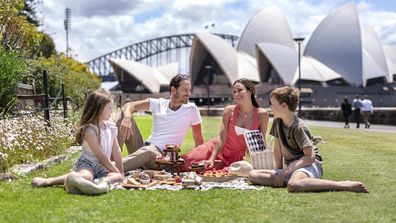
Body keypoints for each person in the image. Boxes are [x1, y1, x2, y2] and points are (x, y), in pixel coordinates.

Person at [249, 86, 369, 193]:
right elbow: (277, 150)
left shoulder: (299, 128)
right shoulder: (277, 122)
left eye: (272, 104)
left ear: (284, 106)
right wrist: (279, 172)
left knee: (293, 185)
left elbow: (309, 157)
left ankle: (342, 185)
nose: (270, 107)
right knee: (253, 175)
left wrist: (284, 173)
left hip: (309, 165)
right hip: (291, 167)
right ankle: (300, 181)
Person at [31, 89, 124, 195]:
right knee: (86, 176)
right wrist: (117, 172)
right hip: (88, 164)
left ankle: (96, 185)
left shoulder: (110, 126)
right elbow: (101, 157)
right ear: (98, 109)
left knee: (116, 177)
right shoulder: (90, 130)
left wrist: (121, 173)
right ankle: (49, 181)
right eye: (109, 108)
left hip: (102, 167)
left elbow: (116, 150)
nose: (112, 111)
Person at [118, 74, 204, 172]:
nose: (188, 93)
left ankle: (108, 169)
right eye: (185, 90)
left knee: (148, 152)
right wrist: (128, 117)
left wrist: (198, 163)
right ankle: (112, 159)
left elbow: (199, 142)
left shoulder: (191, 109)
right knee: (123, 115)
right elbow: (129, 105)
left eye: (189, 90)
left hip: (161, 158)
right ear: (173, 90)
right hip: (144, 147)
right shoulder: (158, 104)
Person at [181, 78, 269, 171]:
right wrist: (211, 159)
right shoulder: (229, 110)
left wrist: (261, 163)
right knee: (186, 163)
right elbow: (221, 138)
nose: (236, 94)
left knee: (210, 170)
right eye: (234, 92)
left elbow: (261, 143)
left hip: (233, 158)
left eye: (240, 90)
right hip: (214, 149)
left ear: (250, 91)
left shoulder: (262, 114)